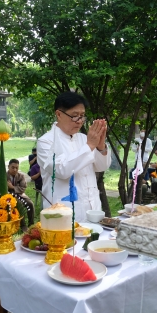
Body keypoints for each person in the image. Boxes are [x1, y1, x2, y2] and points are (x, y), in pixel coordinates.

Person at [37, 92, 111, 222]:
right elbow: (61, 170)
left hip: (93, 210)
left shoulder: (84, 139)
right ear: (59, 114)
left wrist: (100, 147)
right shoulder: (46, 142)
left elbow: (101, 166)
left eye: (82, 116)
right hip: (62, 214)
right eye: (75, 116)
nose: (80, 121)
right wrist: (89, 146)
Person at [7, 159, 35, 232]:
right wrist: (7, 187)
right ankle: (23, 225)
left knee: (30, 204)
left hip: (20, 195)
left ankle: (31, 224)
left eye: (16, 168)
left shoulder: (21, 176)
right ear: (8, 167)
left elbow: (23, 188)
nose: (15, 169)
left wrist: (12, 187)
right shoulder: (3, 176)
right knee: (19, 204)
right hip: (8, 197)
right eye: (12, 167)